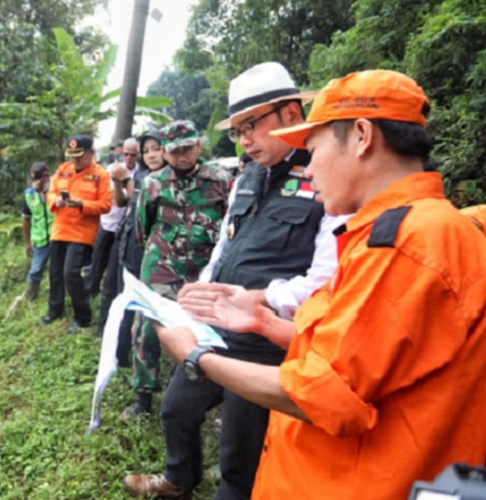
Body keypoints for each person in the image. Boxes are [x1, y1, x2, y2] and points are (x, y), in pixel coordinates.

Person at [163, 69, 486, 499]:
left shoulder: (406, 246)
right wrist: (264, 320)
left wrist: (195, 356)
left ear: (361, 136)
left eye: (312, 150)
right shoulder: (391, 233)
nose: (310, 169)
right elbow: (360, 354)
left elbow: (323, 396)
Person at [123, 62, 348, 498]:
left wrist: (258, 301)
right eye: (237, 130)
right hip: (219, 327)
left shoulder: (326, 178)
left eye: (252, 125)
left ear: (290, 115)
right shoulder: (247, 177)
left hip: (269, 339)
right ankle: (179, 479)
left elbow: (327, 278)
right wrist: (206, 287)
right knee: (176, 409)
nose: (244, 138)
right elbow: (227, 245)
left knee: (238, 455)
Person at [125, 120, 231, 418]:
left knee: (200, 328)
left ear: (198, 145)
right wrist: (161, 253)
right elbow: (142, 228)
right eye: (175, 151)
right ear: (166, 152)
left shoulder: (221, 179)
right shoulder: (153, 183)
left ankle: (194, 389)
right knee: (146, 328)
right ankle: (143, 395)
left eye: (188, 149)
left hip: (203, 269)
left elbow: (229, 226)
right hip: (160, 266)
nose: (182, 156)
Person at [42, 135, 112, 333]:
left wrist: (82, 204)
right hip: (59, 230)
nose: (75, 161)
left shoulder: (101, 175)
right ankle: (54, 310)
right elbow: (50, 193)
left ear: (92, 153)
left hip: (82, 234)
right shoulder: (63, 170)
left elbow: (105, 205)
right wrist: (56, 201)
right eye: (72, 156)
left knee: (71, 273)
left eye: (79, 157)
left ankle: (83, 316)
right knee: (55, 274)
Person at [107, 130, 168, 354]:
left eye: (156, 149)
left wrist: (125, 179)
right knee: (122, 297)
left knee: (143, 305)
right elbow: (124, 202)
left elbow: (146, 199)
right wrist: (117, 182)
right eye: (146, 151)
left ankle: (139, 353)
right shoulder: (141, 175)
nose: (150, 155)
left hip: (151, 250)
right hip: (128, 242)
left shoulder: (168, 178)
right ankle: (121, 352)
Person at [86, 138, 139, 299]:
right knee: (97, 263)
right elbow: (115, 198)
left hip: (125, 229)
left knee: (116, 265)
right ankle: (90, 293)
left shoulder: (140, 174)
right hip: (109, 224)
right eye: (126, 154)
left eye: (133, 155)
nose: (129, 158)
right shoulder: (111, 170)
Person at [22, 162, 53, 300]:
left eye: (38, 180)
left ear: (47, 177)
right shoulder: (30, 195)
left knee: (59, 272)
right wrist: (27, 243)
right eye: (33, 181)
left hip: (57, 237)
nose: (35, 184)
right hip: (39, 240)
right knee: (35, 271)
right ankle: (30, 298)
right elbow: (26, 219)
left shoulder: (56, 191)